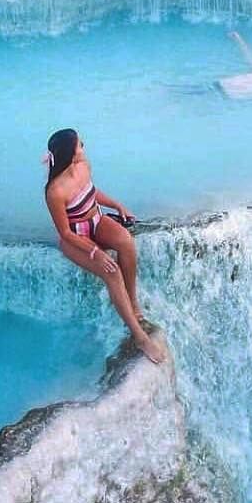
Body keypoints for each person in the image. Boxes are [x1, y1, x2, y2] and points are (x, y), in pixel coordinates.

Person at [44, 128, 165, 364]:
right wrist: (95, 253)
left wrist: (117, 205)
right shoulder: (54, 192)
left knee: (126, 243)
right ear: (70, 153)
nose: (83, 146)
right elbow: (65, 233)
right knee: (112, 272)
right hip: (75, 236)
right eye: (80, 144)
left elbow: (91, 192)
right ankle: (139, 336)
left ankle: (134, 306)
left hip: (97, 219)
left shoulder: (83, 166)